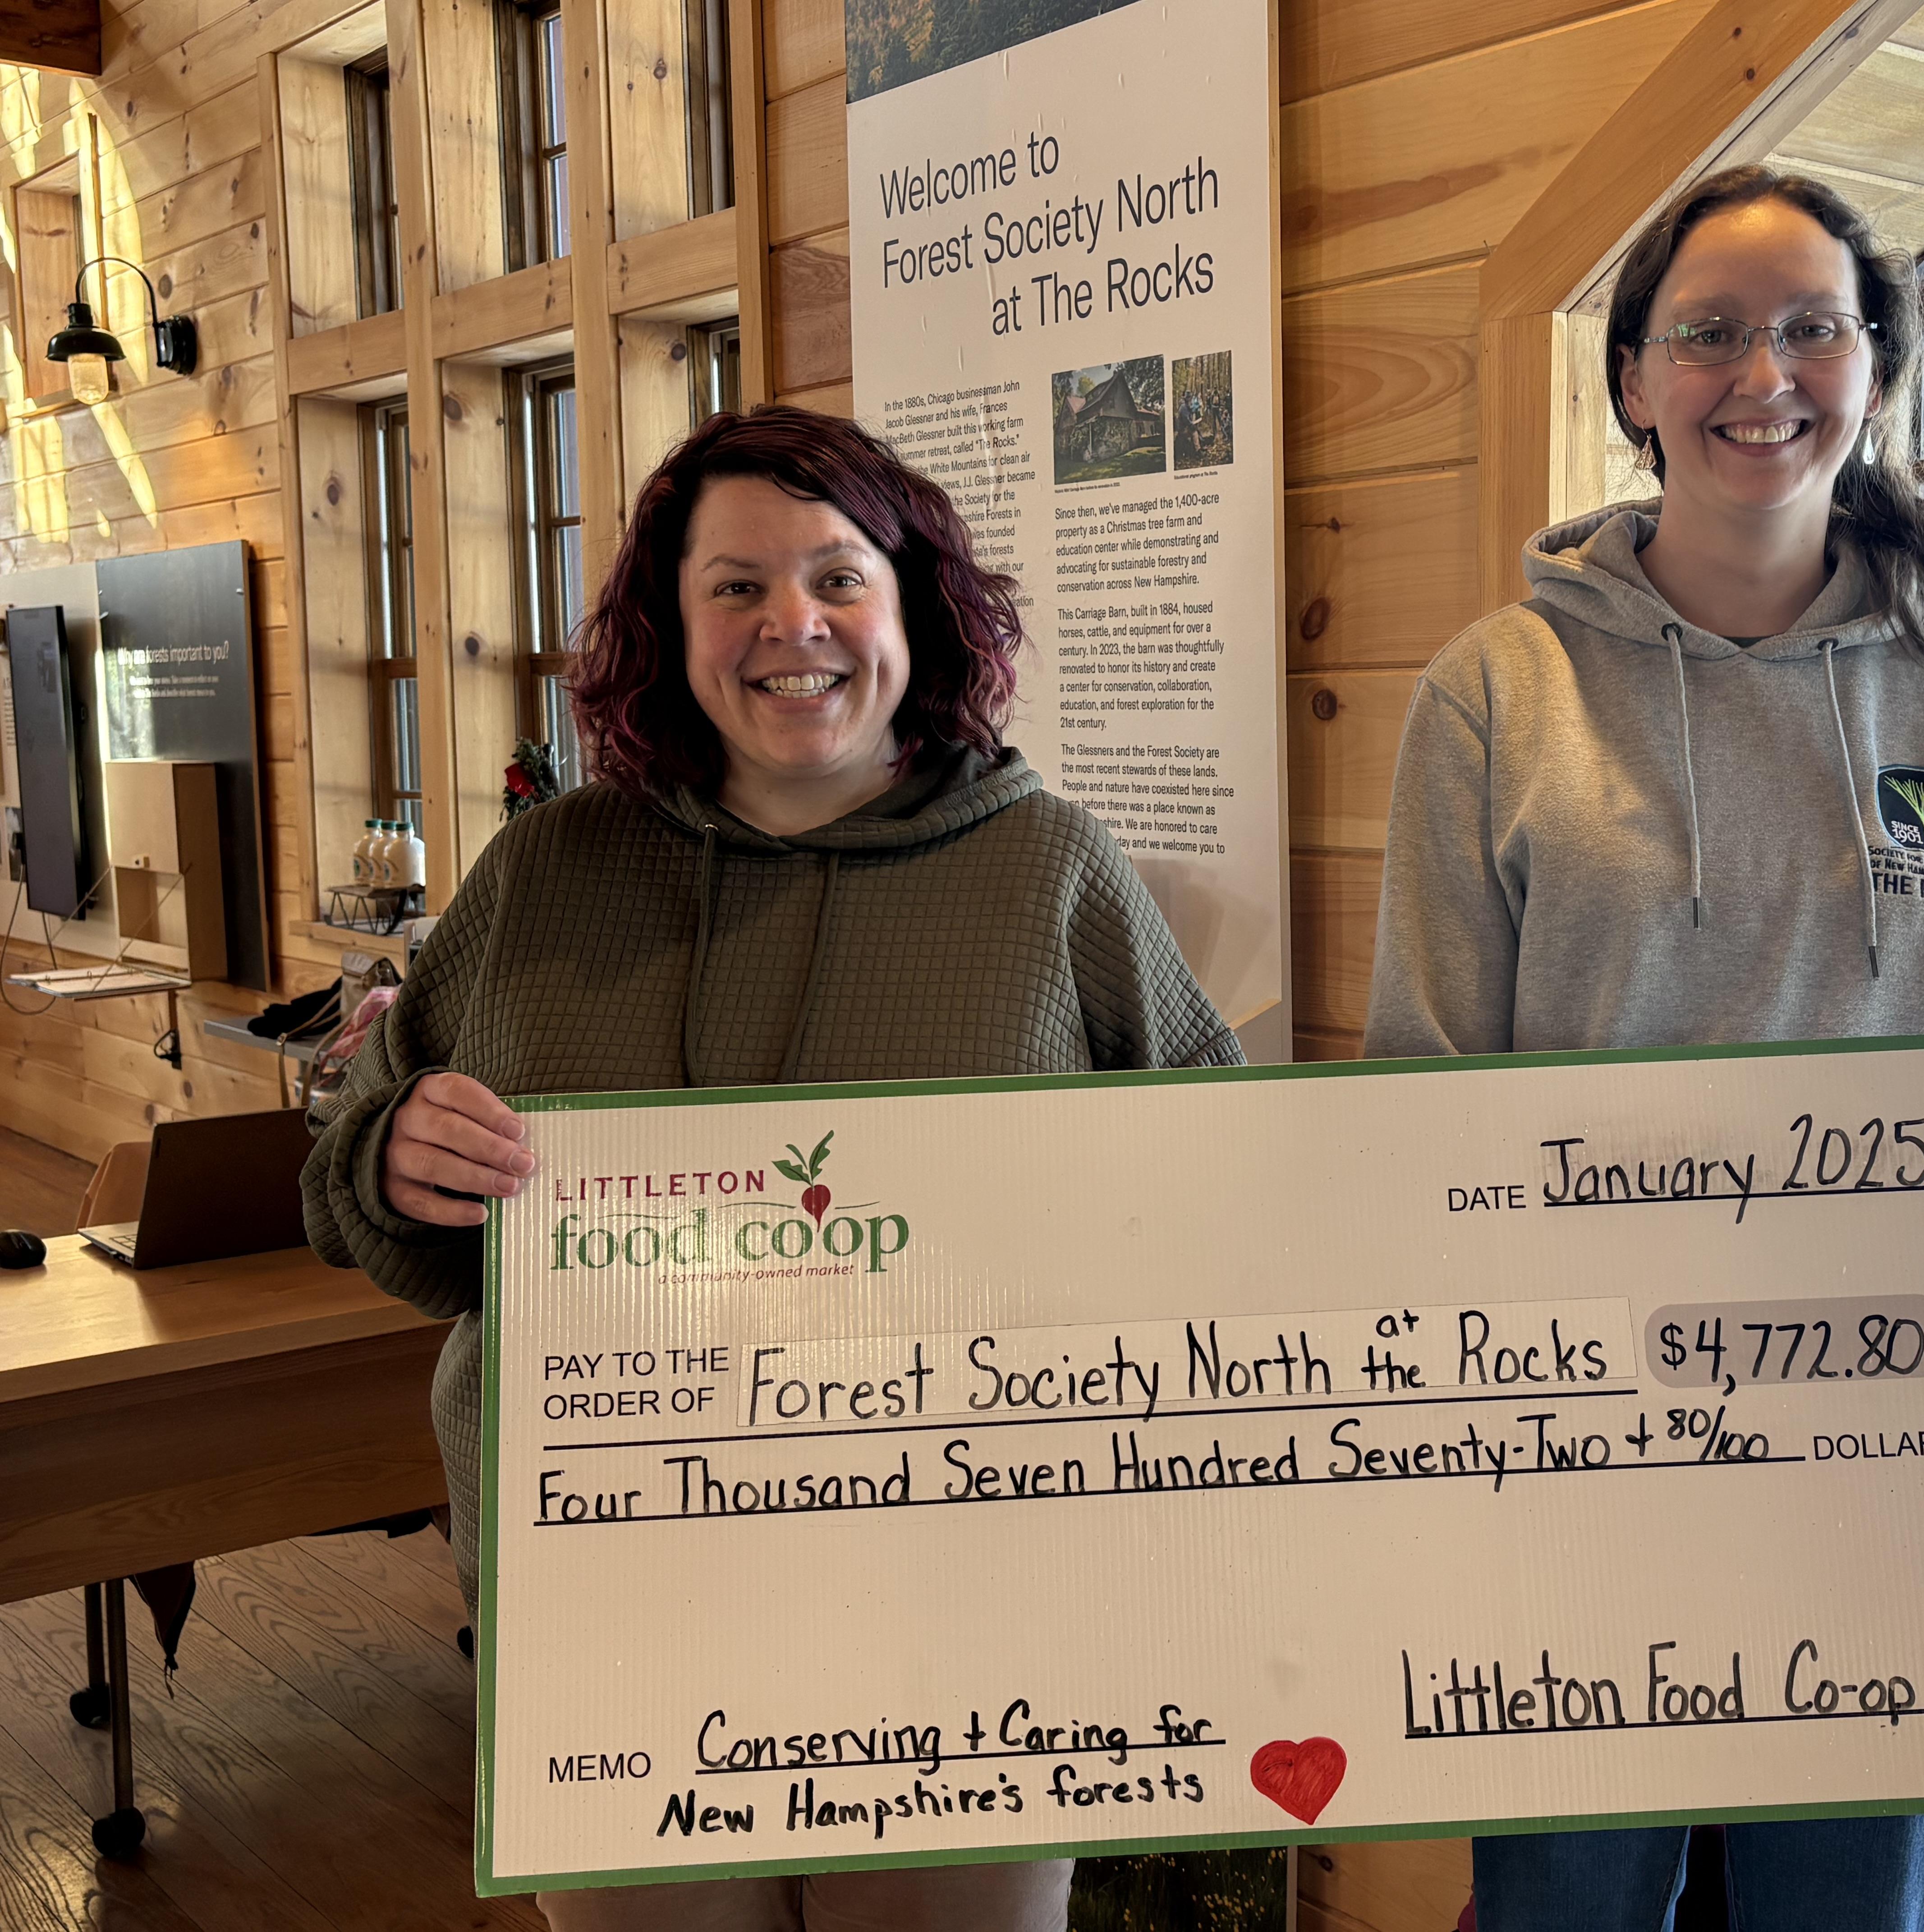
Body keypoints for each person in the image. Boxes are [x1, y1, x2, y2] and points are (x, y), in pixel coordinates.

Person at [303, 404, 1241, 1932]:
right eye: (734, 585)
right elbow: (359, 1174)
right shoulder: (548, 874)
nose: (789, 624)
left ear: (913, 605)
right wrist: (393, 1157)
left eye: (836, 576)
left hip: (969, 1609)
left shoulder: (1052, 870)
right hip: (612, 1604)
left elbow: (1227, 1186)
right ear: (669, 631)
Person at [1363, 166, 1924, 1932]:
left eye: (1811, 328)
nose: (1760, 372)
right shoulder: (1498, 693)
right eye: (1707, 332)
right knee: (1563, 1912)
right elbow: (1420, 1102)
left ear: (1874, 372)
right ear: (1633, 378)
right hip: (1575, 1460)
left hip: (1887, 1462)